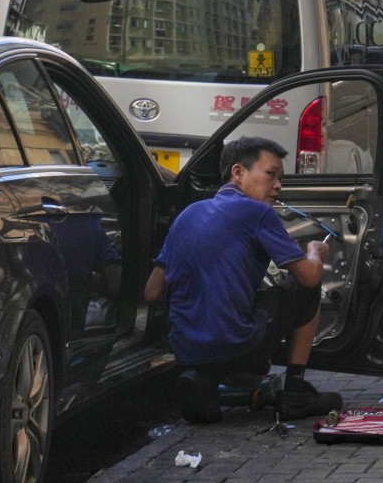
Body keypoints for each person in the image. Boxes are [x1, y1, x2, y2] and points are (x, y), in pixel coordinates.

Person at [144, 136, 343, 424]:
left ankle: (203, 381)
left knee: (241, 310)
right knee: (304, 289)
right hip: (238, 345)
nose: (278, 185)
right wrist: (314, 251)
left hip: (187, 350)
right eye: (270, 174)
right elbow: (309, 277)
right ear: (238, 173)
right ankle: (295, 393)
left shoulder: (187, 215)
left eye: (280, 178)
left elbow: (152, 292)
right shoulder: (258, 212)